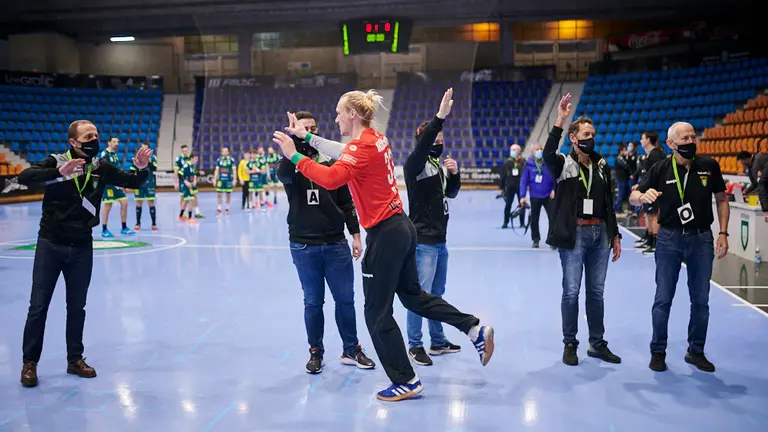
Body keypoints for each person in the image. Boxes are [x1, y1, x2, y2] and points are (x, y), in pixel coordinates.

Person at [272, 88, 494, 402]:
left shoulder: (360, 147)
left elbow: (332, 178)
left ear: (352, 114)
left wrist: (294, 153)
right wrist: (305, 137)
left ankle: (406, 380)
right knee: (413, 296)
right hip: (402, 227)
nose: (335, 119)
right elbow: (340, 149)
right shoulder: (376, 139)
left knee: (376, 312)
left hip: (385, 234)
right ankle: (473, 328)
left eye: (338, 113)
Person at [17, 120, 152, 387]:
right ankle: (29, 363)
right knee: (38, 306)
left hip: (81, 246)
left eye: (96, 135)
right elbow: (24, 177)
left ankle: (75, 359)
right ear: (73, 142)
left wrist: (141, 168)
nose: (94, 140)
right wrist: (58, 172)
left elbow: (134, 182)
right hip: (51, 243)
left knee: (77, 307)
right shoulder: (56, 161)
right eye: (88, 136)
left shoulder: (101, 167)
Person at [276, 110, 375, 374]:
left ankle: (351, 349)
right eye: (303, 128)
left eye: (313, 128)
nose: (309, 132)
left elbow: (346, 202)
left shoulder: (331, 162)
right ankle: (316, 352)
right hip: (303, 245)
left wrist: (356, 235)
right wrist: (292, 147)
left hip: (335, 244)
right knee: (312, 302)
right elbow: (284, 176)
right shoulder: (290, 163)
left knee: (345, 300)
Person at [630, 121, 729, 373]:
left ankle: (696, 351)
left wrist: (723, 233)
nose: (691, 141)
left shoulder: (709, 165)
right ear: (671, 143)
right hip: (669, 239)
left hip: (701, 238)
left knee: (701, 300)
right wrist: (642, 196)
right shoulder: (660, 168)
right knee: (663, 298)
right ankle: (658, 351)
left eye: (693, 137)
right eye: (685, 138)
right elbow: (633, 196)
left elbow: (721, 199)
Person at [543, 93, 622, 366]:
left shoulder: (601, 165)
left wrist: (615, 234)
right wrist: (560, 120)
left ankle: (597, 343)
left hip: (600, 234)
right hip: (574, 235)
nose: (592, 138)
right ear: (574, 138)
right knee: (571, 292)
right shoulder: (565, 164)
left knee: (597, 292)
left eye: (593, 135)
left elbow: (609, 203)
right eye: (586, 135)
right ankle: (570, 343)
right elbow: (547, 154)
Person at [403, 117, 462, 366]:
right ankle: (415, 345)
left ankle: (437, 341)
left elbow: (451, 194)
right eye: (433, 139)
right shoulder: (415, 164)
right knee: (420, 296)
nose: (438, 143)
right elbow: (422, 149)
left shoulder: (438, 166)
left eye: (441, 140)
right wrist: (437, 122)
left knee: (436, 295)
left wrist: (455, 174)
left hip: (440, 240)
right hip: (423, 241)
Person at [632, 132, 665, 254]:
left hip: (654, 190)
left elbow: (656, 175)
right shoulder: (649, 154)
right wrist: (641, 185)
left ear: (648, 140)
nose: (641, 141)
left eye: (642, 138)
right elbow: (646, 174)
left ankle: (656, 243)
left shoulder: (656, 155)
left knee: (654, 215)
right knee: (648, 214)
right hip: (647, 189)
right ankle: (649, 238)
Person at [519, 143, 555, 248]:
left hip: (548, 195)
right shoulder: (528, 165)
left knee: (553, 218)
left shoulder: (549, 163)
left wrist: (554, 189)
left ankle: (552, 240)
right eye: (537, 149)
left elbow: (556, 177)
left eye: (541, 149)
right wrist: (522, 196)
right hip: (534, 195)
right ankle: (535, 239)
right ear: (532, 152)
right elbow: (523, 182)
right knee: (534, 219)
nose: (540, 151)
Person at [99, 136, 134, 237]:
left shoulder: (115, 155)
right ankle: (104, 230)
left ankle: (124, 227)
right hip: (108, 185)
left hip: (116, 184)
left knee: (124, 202)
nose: (116, 144)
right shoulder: (105, 154)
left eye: (117, 142)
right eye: (114, 142)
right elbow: (104, 171)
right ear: (109, 142)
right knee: (108, 206)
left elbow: (117, 171)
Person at [132, 141, 158, 231]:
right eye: (142, 148)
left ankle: (154, 223)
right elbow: (132, 170)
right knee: (138, 202)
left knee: (151, 203)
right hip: (139, 183)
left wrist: (148, 161)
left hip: (149, 183)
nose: (144, 150)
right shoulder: (137, 157)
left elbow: (155, 168)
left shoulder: (153, 158)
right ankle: (138, 223)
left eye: (146, 148)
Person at [500, 144, 526, 228]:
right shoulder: (508, 162)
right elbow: (503, 175)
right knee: (508, 204)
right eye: (511, 150)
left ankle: (522, 223)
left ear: (519, 151)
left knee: (522, 204)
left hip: (520, 186)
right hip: (510, 186)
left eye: (514, 150)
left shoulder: (523, 162)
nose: (512, 152)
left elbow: (525, 174)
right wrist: (502, 188)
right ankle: (505, 222)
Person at [214, 146, 237, 215]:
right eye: (224, 151)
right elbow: (216, 170)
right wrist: (214, 179)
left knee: (228, 194)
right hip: (220, 180)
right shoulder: (219, 160)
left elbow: (234, 170)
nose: (225, 152)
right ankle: (219, 209)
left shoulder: (231, 160)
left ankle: (227, 208)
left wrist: (234, 179)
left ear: (228, 152)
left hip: (228, 180)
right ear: (222, 152)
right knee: (219, 194)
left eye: (226, 151)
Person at [613, 143, 634, 215]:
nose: (626, 151)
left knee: (626, 194)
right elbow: (626, 166)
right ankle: (617, 208)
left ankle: (624, 208)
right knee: (621, 194)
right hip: (621, 179)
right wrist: (628, 157)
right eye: (624, 150)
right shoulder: (619, 158)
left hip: (625, 179)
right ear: (621, 151)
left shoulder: (624, 158)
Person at [178, 153, 200, 223]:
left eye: (197, 159)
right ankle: (190, 217)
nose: (197, 160)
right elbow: (180, 174)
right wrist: (186, 182)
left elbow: (194, 174)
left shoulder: (193, 166)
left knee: (186, 201)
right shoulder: (186, 165)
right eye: (195, 159)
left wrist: (194, 180)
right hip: (187, 186)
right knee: (191, 200)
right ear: (191, 158)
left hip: (191, 185)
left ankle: (180, 215)